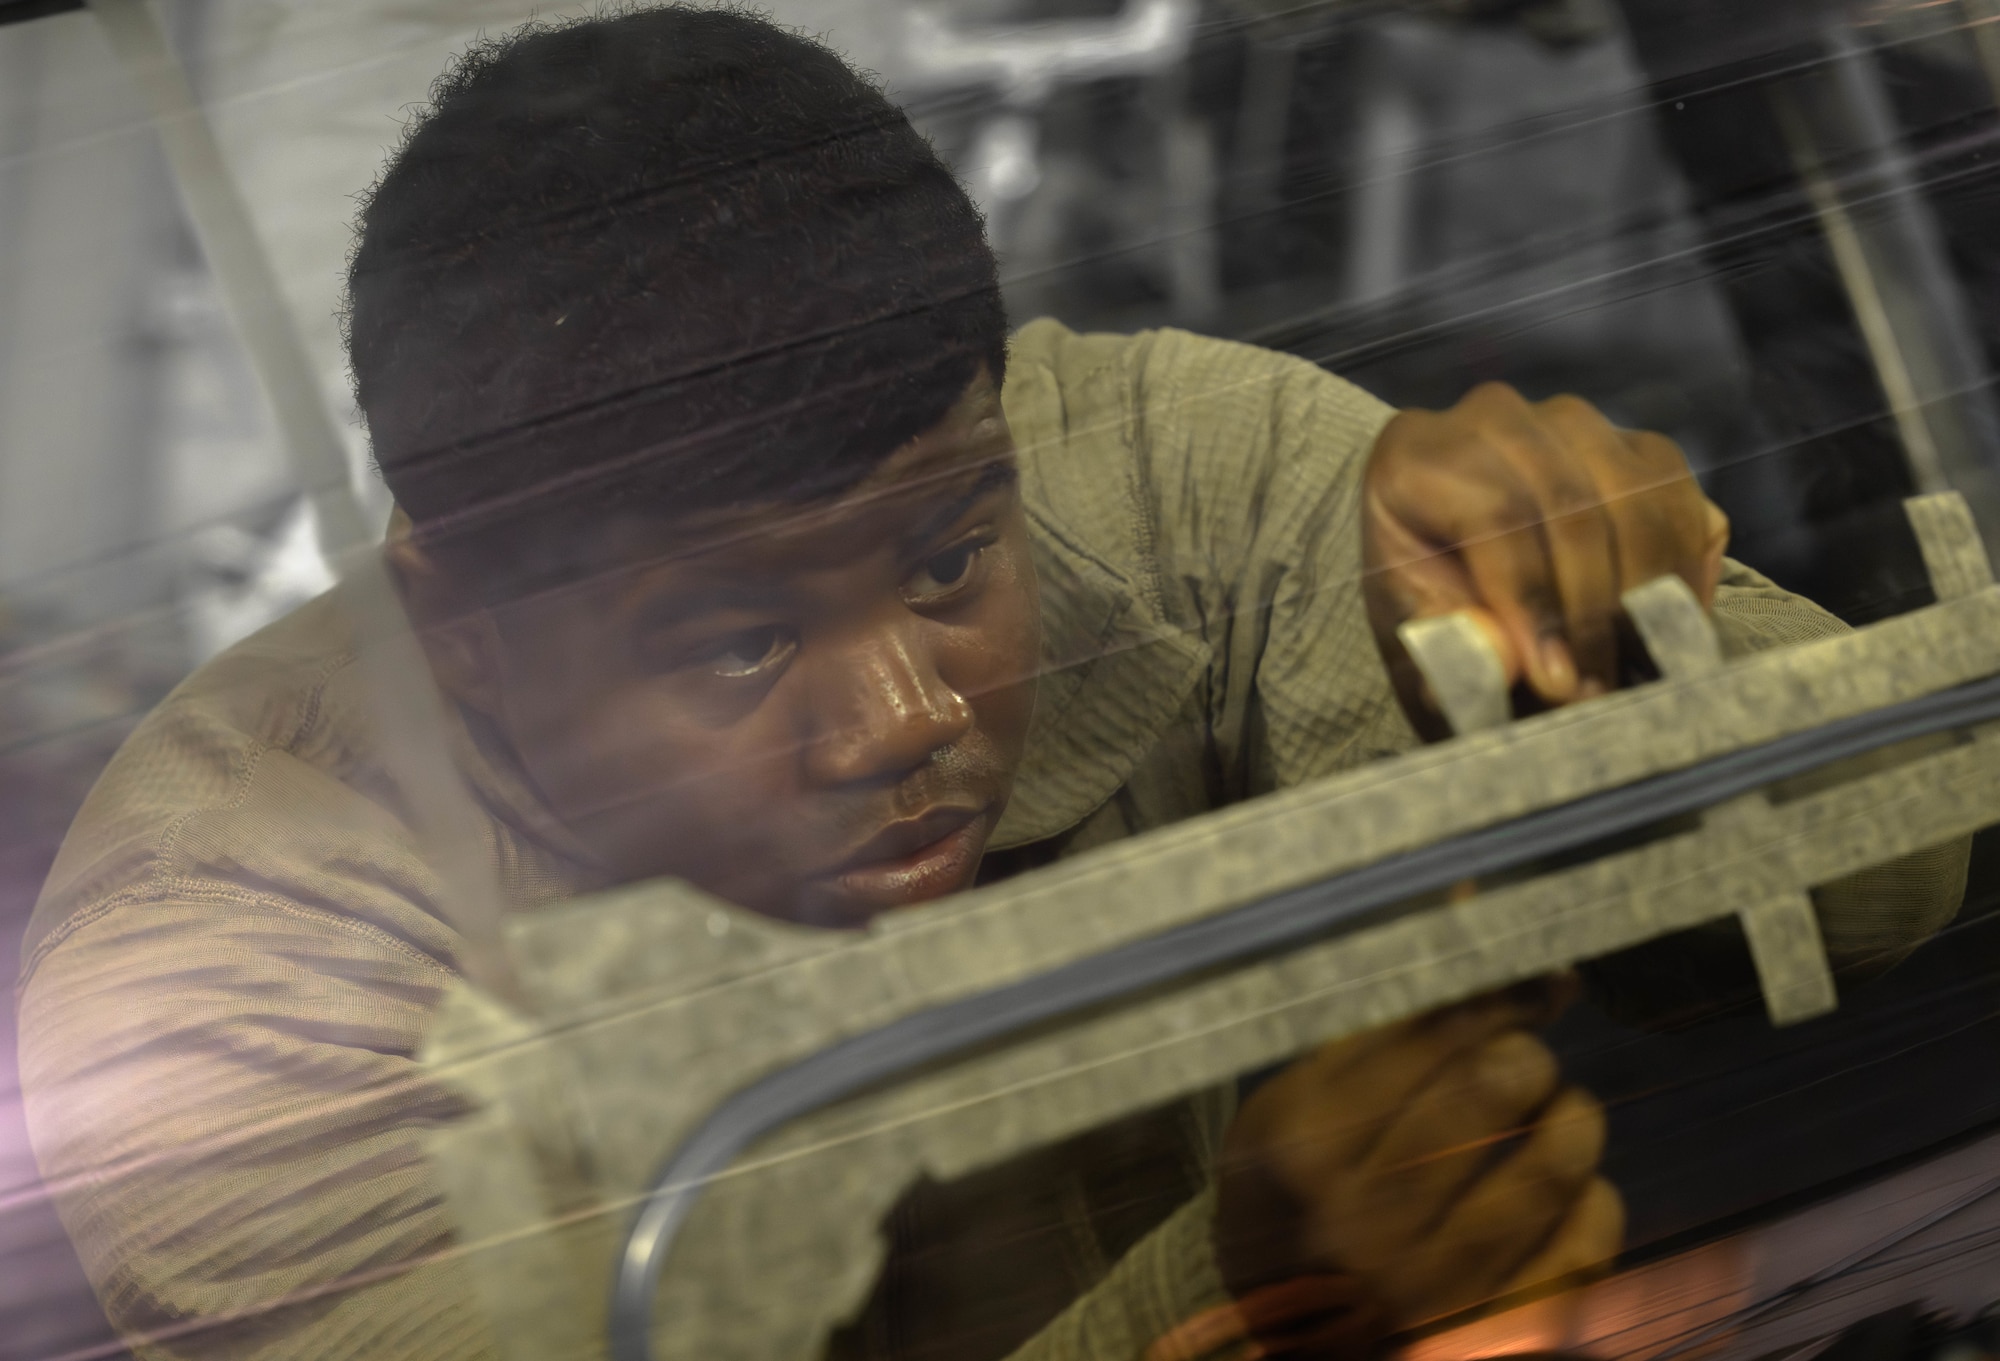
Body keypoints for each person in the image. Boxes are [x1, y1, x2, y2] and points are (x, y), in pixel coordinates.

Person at [15, 7, 1967, 1361]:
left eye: (949, 561)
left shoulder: (1163, 475)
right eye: (735, 639)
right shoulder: (214, 985)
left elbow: (1885, 894)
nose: (906, 722)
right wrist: (1236, 1305)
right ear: (456, 628)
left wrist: (1610, 635)